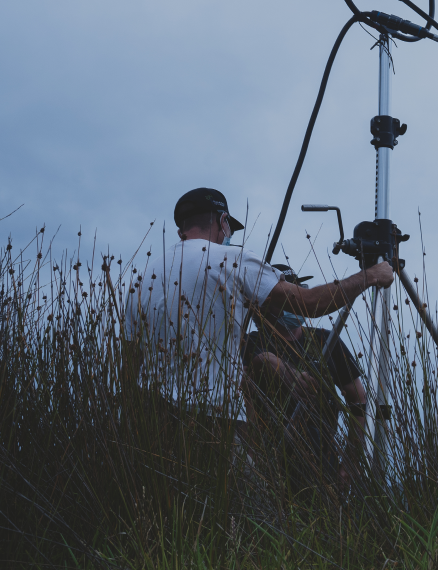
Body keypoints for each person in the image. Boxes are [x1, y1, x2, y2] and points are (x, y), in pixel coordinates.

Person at [121, 188, 395, 506]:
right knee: (249, 521)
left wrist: (132, 422)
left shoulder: (145, 278)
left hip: (153, 422)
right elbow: (308, 302)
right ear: (223, 221)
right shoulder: (229, 259)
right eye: (229, 228)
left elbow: (129, 361)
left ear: (182, 228)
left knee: (171, 515)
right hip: (214, 419)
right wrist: (370, 275)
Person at [242, 269, 370, 496]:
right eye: (288, 294)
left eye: (299, 292)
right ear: (264, 303)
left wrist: (351, 461)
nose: (296, 300)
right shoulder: (251, 342)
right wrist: (273, 363)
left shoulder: (326, 340)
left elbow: (358, 399)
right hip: (270, 463)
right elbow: (252, 367)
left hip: (324, 461)